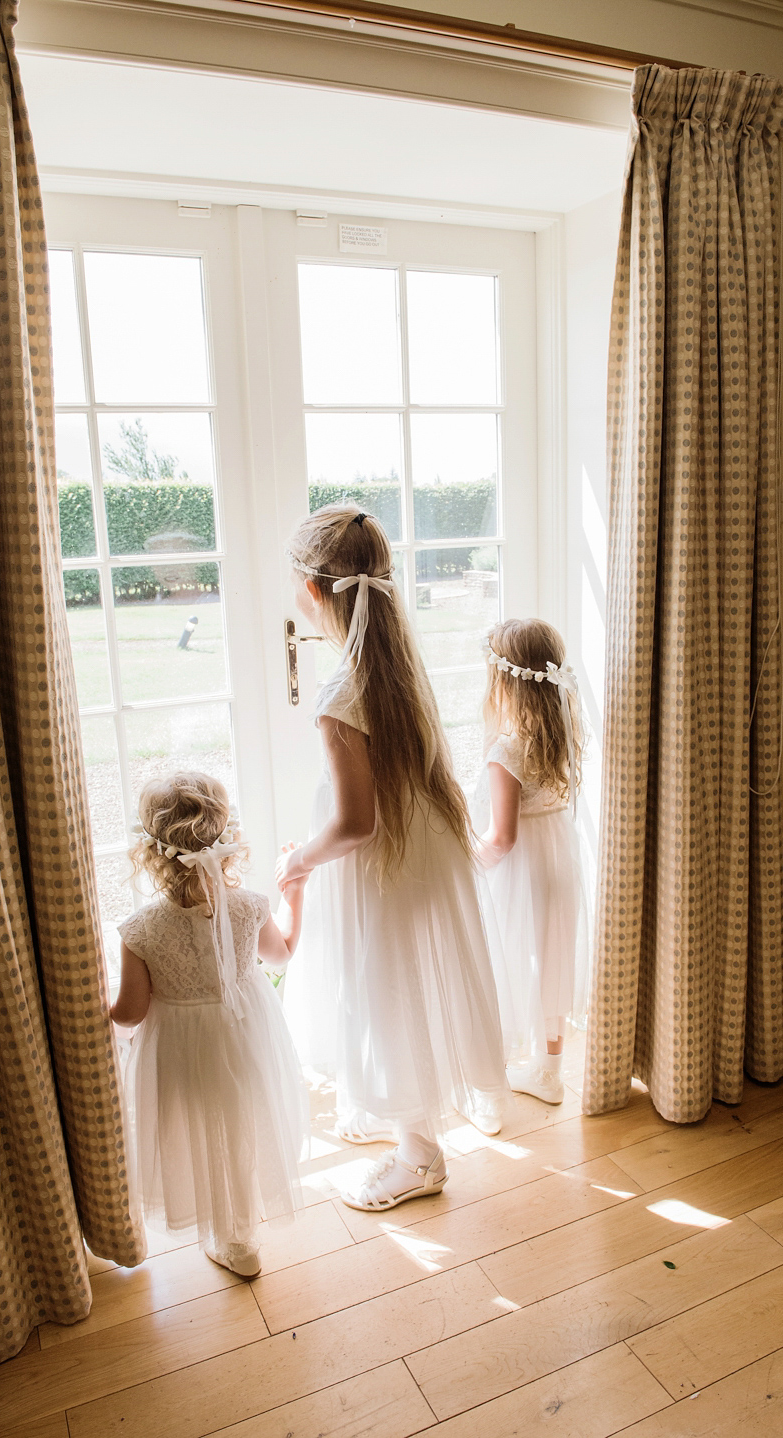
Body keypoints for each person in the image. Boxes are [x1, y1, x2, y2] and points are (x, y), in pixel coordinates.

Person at [277, 505, 507, 1212]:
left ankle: (420, 1157)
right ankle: (400, 1115)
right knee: (399, 987)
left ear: (313, 592)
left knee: (386, 994)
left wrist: (299, 862)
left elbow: (354, 821)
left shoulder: (340, 691)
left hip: (380, 866)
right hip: (420, 853)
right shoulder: (397, 665)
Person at [111, 771, 308, 1278]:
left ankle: (225, 1231)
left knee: (199, 1130)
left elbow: (130, 1013)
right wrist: (295, 894)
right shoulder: (247, 906)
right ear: (227, 842)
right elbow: (281, 954)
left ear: (152, 854)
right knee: (240, 1121)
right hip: (245, 1036)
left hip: (183, 1048)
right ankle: (242, 1237)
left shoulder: (142, 929)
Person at [473, 619, 590, 1105]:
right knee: (555, 958)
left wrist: (469, 864)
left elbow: (502, 837)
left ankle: (493, 1069)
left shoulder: (507, 750)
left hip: (522, 872)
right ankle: (550, 1072)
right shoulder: (563, 732)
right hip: (562, 858)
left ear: (503, 682)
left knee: (507, 959)